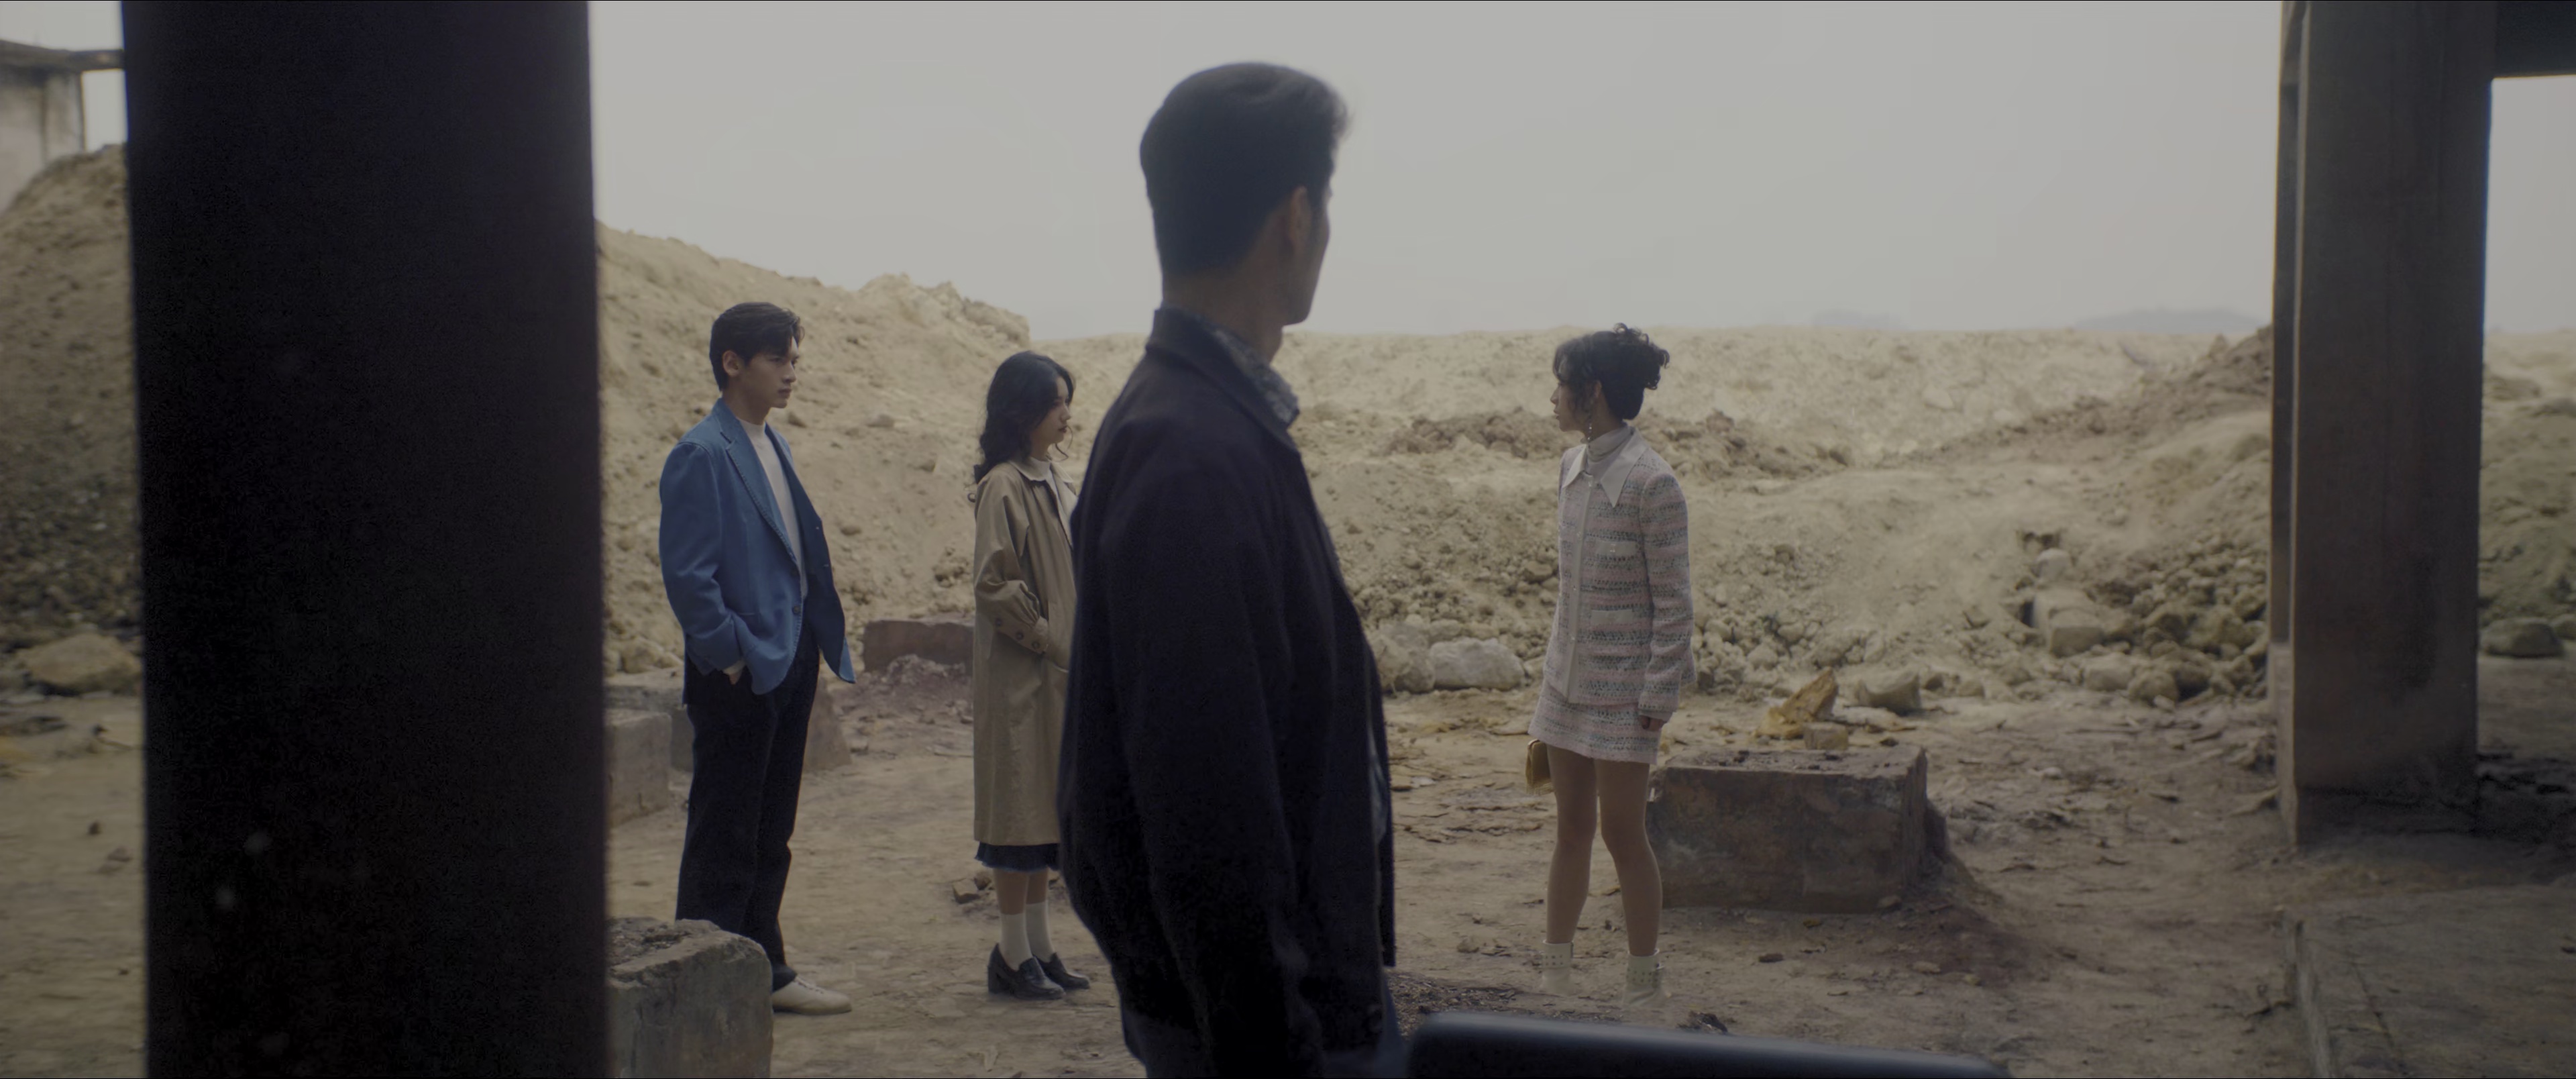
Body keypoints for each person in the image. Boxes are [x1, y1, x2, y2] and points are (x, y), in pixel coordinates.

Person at [1058, 63, 1399, 1077]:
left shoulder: (1198, 421)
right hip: (1259, 1032)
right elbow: (1210, 823)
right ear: (1296, 217)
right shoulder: (1192, 454)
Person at [657, 301, 860, 1016]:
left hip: (791, 654)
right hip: (740, 668)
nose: (791, 373)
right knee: (726, 828)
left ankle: (765, 969)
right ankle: (701, 982)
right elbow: (689, 577)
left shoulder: (773, 443)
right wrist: (731, 656)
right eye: (778, 359)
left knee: (772, 827)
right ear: (732, 362)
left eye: (794, 359)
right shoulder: (702, 452)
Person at [1529, 325, 1693, 1013]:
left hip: (1626, 697)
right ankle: (1555, 975)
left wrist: (1657, 695)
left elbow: (1675, 604)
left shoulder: (1654, 483)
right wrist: (1550, 678)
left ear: (1592, 393)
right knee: (1569, 830)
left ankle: (1643, 981)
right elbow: (1568, 593)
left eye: (1562, 385)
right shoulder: (1570, 469)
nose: (1553, 397)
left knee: (1623, 835)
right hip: (1565, 685)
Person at [967, 350, 1090, 1001]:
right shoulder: (1004, 485)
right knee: (1016, 819)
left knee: (1043, 818)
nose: (1066, 414)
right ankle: (1011, 955)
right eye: (1054, 402)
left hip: (1057, 676)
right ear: (1023, 411)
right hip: (1022, 679)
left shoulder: (1055, 480)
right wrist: (1048, 638)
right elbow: (994, 583)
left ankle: (1040, 948)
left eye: (1067, 401)